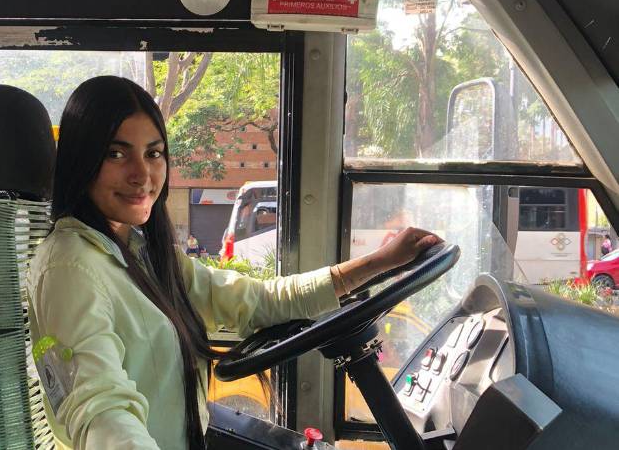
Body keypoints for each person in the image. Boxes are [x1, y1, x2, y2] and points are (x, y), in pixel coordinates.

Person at [26, 76, 442, 450]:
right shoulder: (69, 268)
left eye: (153, 153)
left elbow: (255, 300)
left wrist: (381, 262)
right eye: (116, 154)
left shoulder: (140, 253)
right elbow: (100, 411)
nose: (142, 174)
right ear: (82, 160)